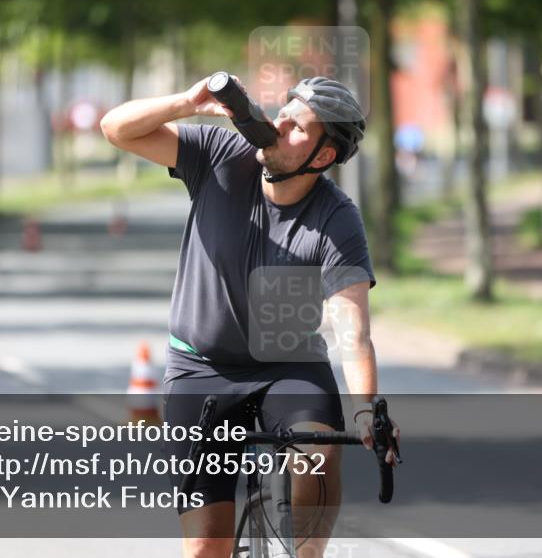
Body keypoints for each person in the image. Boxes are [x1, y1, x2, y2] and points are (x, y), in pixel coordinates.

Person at [101, 75, 400, 558]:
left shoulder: (336, 217)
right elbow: (116, 129)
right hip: (200, 368)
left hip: (290, 369)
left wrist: (366, 410)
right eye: (282, 114)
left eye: (297, 127)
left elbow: (353, 331)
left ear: (322, 155)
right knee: (205, 547)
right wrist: (186, 102)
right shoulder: (219, 154)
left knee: (317, 455)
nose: (278, 125)